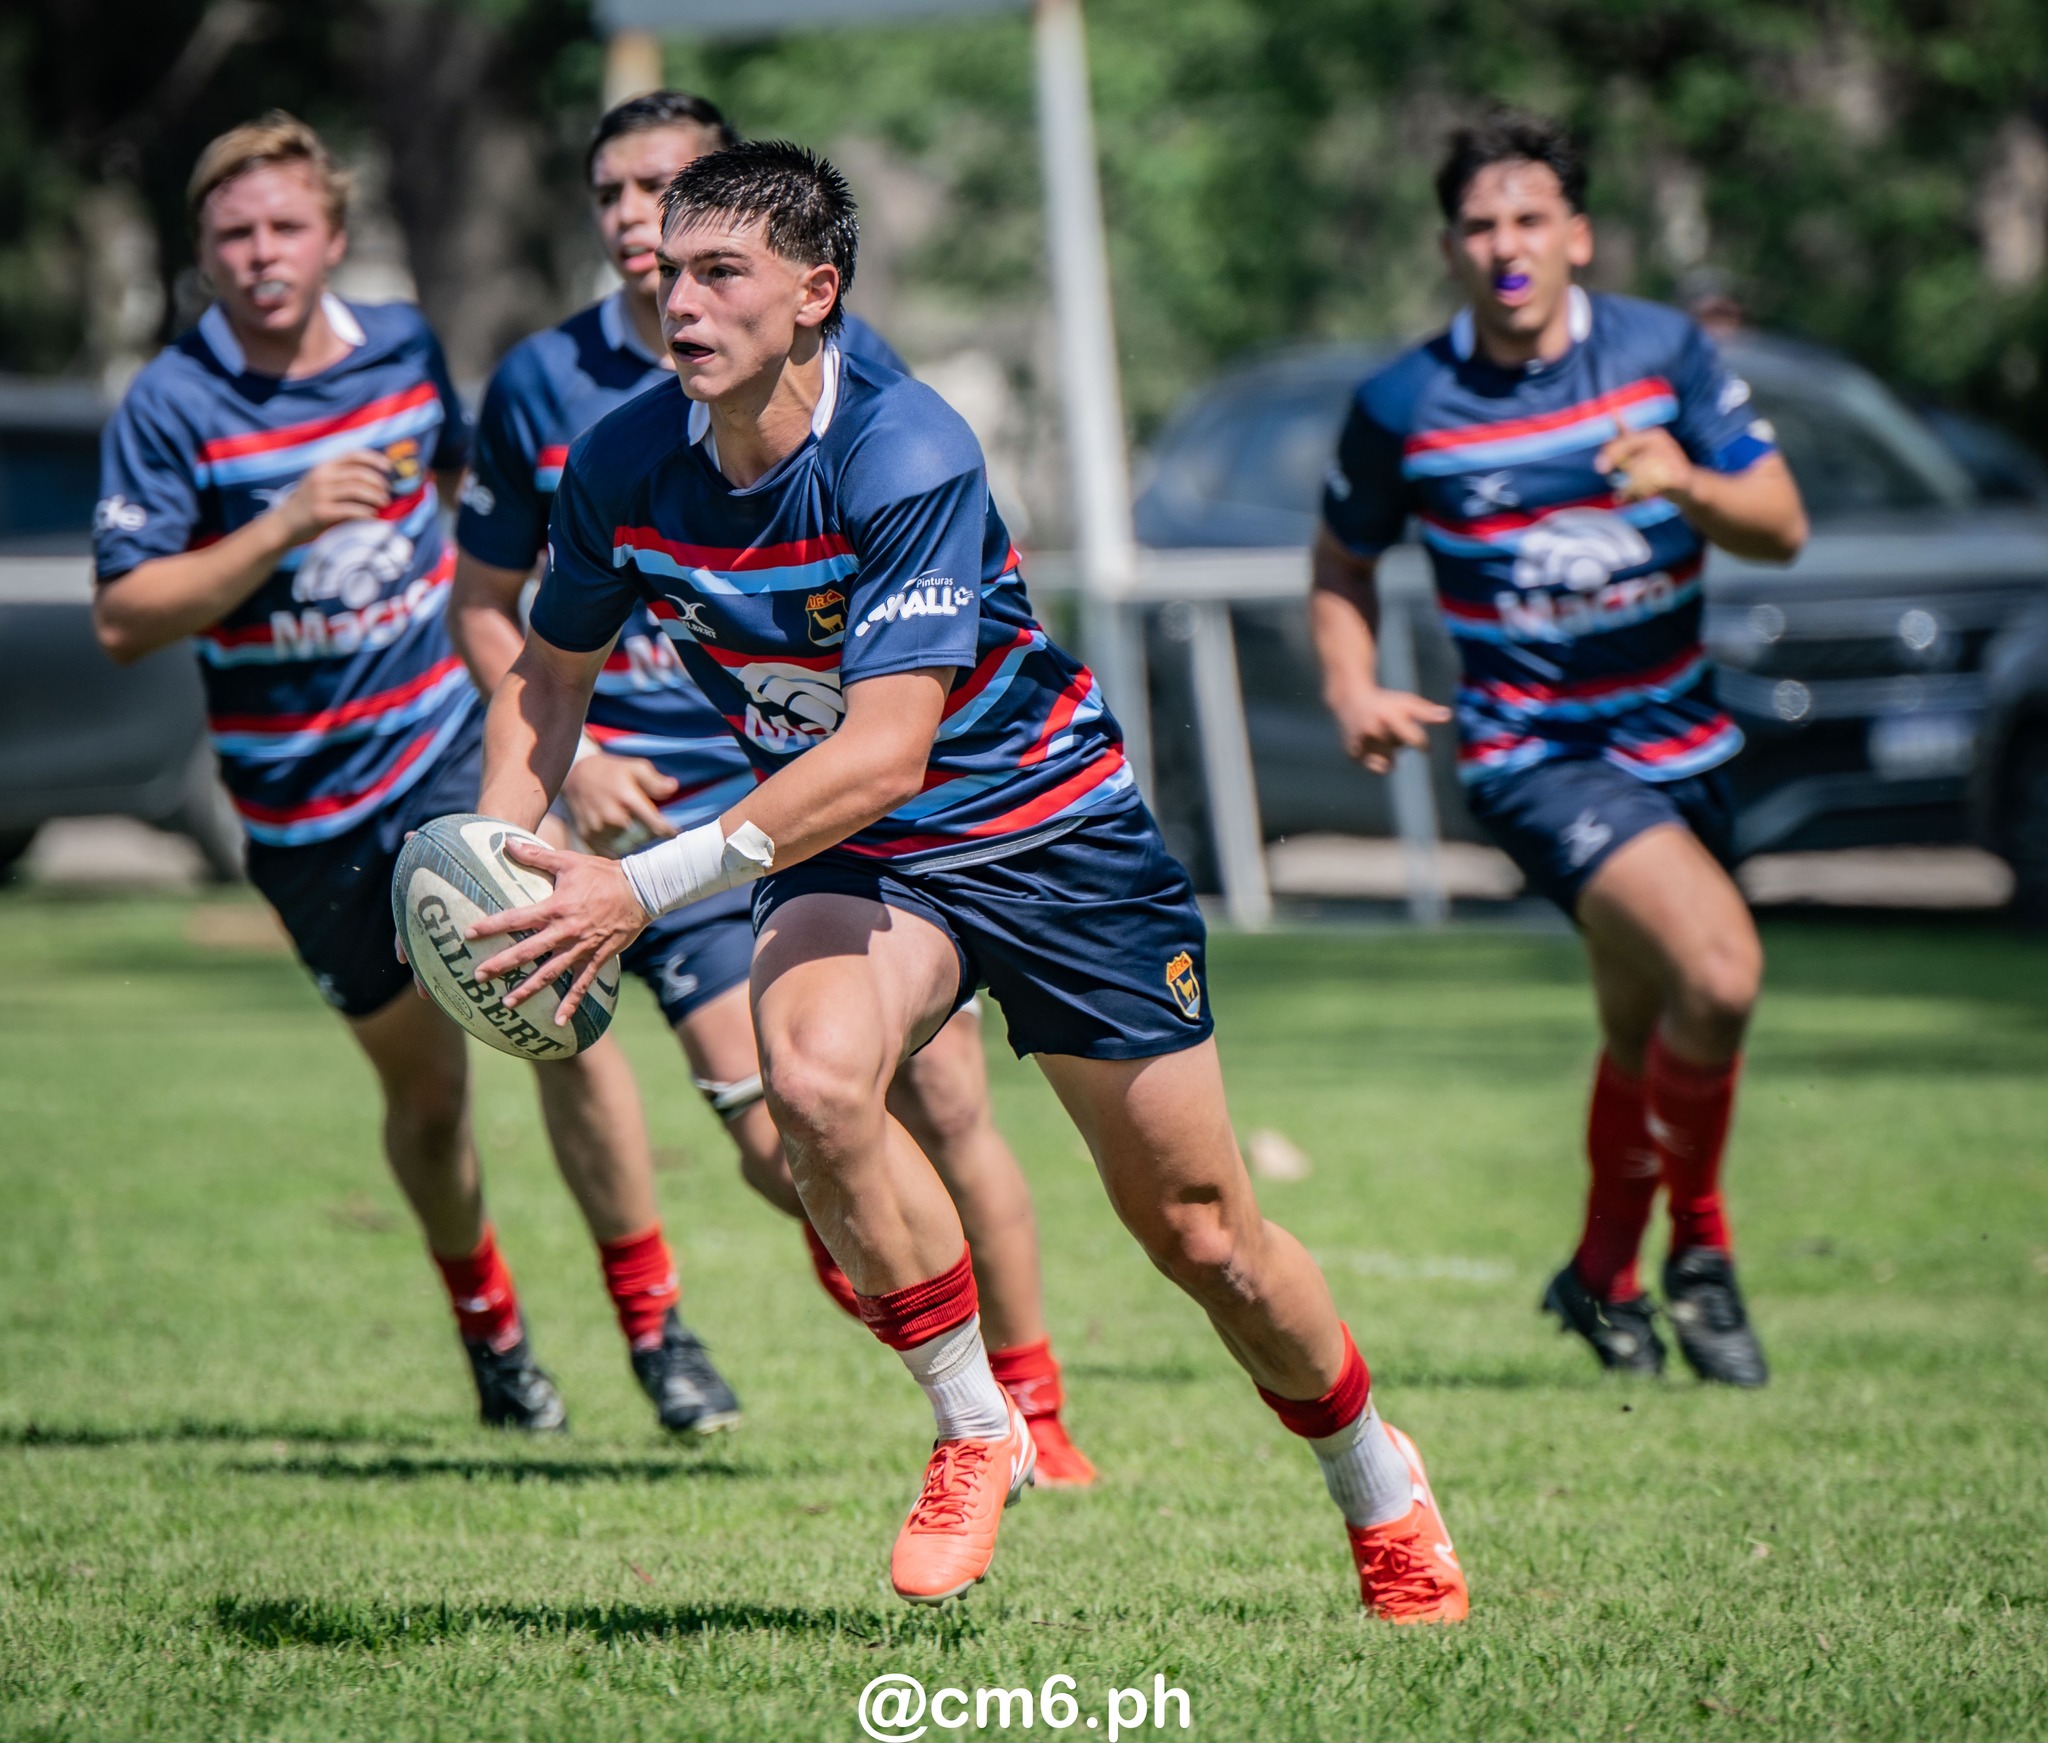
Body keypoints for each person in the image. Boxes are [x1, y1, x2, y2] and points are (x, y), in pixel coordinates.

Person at [462, 139, 1469, 1621]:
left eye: (720, 272)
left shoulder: (904, 447)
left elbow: (884, 751)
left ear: (816, 292)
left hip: (1051, 836)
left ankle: (1376, 1479)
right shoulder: (620, 461)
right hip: (860, 855)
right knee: (813, 1086)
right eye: (670, 272)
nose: (678, 301)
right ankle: (974, 1423)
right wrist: (502, 855)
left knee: (1204, 1236)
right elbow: (548, 678)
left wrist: (633, 888)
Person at [449, 91, 1095, 1484]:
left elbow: (907, 679)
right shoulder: (557, 399)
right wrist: (522, 822)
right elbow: (509, 629)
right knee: (790, 1120)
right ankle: (955, 1390)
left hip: (864, 794)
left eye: (674, 199)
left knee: (955, 1111)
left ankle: (1034, 1408)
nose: (645, 230)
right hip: (677, 807)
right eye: (619, 199)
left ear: (803, 279)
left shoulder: (874, 405)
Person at [90, 111, 739, 1438]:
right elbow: (124, 616)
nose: (260, 253)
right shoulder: (171, 403)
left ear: (333, 235)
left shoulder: (400, 348)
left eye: (285, 225)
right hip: (304, 805)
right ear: (204, 251)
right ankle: (493, 1335)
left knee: (561, 1012)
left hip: (446, 744)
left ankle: (657, 1329)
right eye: (232, 233)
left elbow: (471, 514)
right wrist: (280, 525)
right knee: (430, 1098)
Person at [1309, 109, 1808, 1386]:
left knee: (1644, 1027)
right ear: (1448, 248)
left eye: (1529, 218)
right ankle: (1701, 1253)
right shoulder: (1402, 402)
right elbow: (1341, 561)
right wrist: (1352, 685)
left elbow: (1778, 524)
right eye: (1479, 225)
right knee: (1719, 976)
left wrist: (1685, 483)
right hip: (1534, 758)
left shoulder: (1661, 353)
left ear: (1576, 235)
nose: (1506, 245)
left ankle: (1598, 1274)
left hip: (1685, 745)